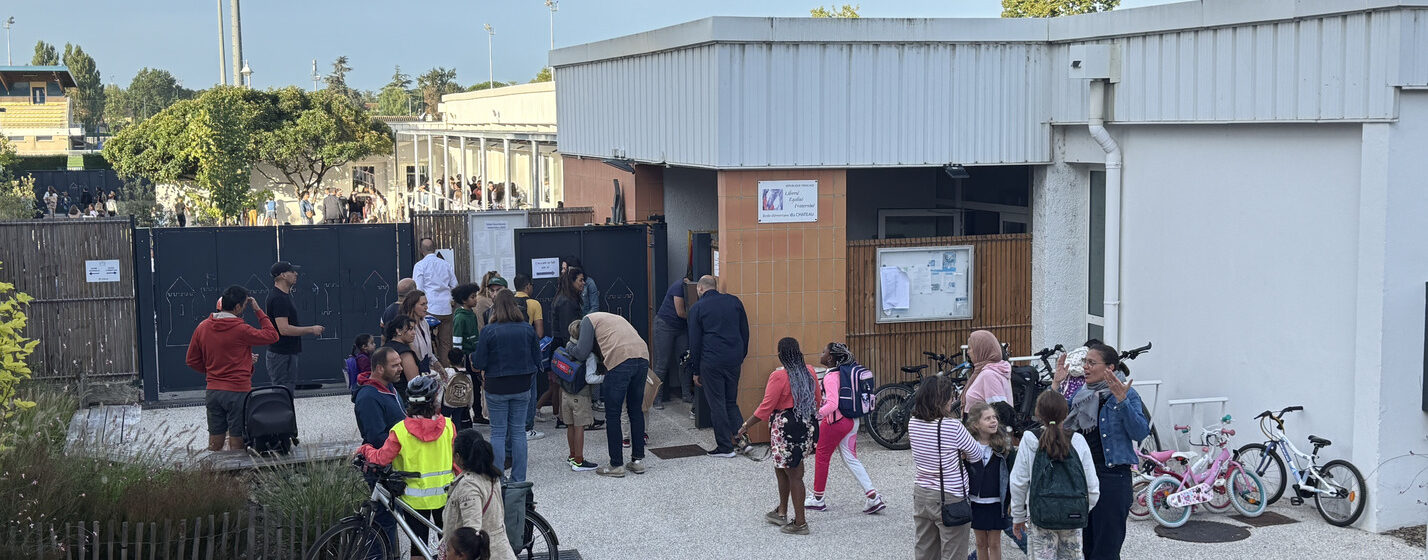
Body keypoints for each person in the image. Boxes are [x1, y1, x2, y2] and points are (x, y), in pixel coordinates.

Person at [1049, 342, 1148, 560]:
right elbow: (1051, 417)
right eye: (1085, 362)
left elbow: (1140, 432)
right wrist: (1056, 383)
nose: (1085, 367)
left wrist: (1121, 400)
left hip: (1112, 477)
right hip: (1082, 478)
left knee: (1107, 549)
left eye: (1092, 363)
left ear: (1110, 368)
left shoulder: (1127, 394)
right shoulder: (1081, 396)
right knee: (1086, 547)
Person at [358, 376, 454, 560]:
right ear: (435, 399)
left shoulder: (400, 431)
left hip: (414, 501)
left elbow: (381, 458)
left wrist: (365, 449)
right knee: (449, 545)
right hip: (444, 495)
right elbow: (456, 463)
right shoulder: (449, 427)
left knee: (418, 547)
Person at [736, 337, 821, 535]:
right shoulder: (809, 371)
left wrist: (745, 426)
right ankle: (781, 512)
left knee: (794, 473)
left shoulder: (779, 377)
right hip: (806, 423)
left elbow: (766, 408)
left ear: (781, 355)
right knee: (783, 468)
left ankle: (800, 523)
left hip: (785, 427)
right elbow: (817, 399)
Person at [185, 286, 279, 451]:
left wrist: (214, 370)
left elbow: (192, 360)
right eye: (244, 305)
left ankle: (214, 474)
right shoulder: (242, 330)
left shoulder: (203, 327)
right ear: (237, 307)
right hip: (238, 391)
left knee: (215, 441)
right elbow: (272, 335)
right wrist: (258, 310)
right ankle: (237, 473)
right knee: (237, 439)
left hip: (213, 390)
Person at [1010, 392, 1100, 560]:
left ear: (1038, 414)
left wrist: (1018, 516)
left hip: (1040, 515)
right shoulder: (1078, 440)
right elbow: (1092, 488)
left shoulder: (1030, 439)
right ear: (1066, 414)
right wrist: (1078, 509)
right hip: (1072, 515)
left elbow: (1018, 482)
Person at [909, 374, 987, 560]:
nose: (952, 401)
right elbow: (977, 454)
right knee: (954, 553)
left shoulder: (913, 423)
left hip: (921, 493)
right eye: (950, 397)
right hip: (949, 495)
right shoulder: (952, 426)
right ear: (942, 400)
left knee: (925, 552)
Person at [567, 311, 650, 478]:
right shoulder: (614, 318)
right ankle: (638, 462)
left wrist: (570, 346)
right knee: (635, 411)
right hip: (642, 356)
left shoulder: (587, 321)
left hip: (620, 360)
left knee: (613, 414)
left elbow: (582, 352)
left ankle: (616, 465)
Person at [470, 291, 542, 482]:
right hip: (522, 386)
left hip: (496, 386)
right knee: (518, 432)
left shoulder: (489, 330)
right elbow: (537, 357)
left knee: (498, 432)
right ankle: (519, 479)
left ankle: (499, 478)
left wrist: (471, 359)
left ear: (495, 307)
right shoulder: (527, 328)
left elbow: (479, 362)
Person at [807, 342, 886, 514]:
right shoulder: (846, 373)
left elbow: (833, 403)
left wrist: (817, 414)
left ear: (830, 358)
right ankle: (873, 496)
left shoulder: (830, 376)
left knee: (822, 456)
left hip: (835, 422)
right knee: (851, 458)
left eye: (823, 352)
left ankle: (818, 498)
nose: (821, 354)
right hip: (853, 420)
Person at [687, 275, 750, 457]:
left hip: (711, 360)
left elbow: (695, 342)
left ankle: (725, 447)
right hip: (734, 359)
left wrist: (695, 370)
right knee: (731, 402)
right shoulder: (734, 302)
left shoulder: (697, 308)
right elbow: (744, 332)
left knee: (717, 404)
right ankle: (744, 442)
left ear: (700, 288)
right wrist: (740, 355)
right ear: (715, 286)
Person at [351, 345, 408, 549]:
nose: (401, 368)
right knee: (384, 521)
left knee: (392, 518)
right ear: (380, 368)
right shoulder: (368, 397)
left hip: (394, 462)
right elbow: (376, 437)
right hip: (381, 466)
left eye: (400, 363)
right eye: (395, 365)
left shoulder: (389, 388)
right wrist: (406, 441)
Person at [445, 429, 515, 560]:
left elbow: (471, 531)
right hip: (501, 550)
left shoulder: (469, 485)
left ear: (458, 457)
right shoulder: (491, 475)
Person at [964, 401, 1015, 560]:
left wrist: (1011, 501)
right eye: (987, 418)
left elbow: (1012, 473)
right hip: (975, 500)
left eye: (994, 417)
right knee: (980, 543)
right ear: (975, 424)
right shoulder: (967, 445)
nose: (993, 421)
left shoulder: (1004, 446)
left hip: (996, 502)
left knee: (994, 543)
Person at [265, 261, 324, 390]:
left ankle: (286, 410)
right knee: (282, 392)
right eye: (292, 271)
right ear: (283, 275)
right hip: (281, 354)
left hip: (288, 353)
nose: (296, 274)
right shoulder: (278, 298)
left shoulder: (285, 296)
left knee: (287, 391)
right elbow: (284, 329)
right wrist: (311, 329)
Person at [560, 320, 601, 471]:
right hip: (581, 396)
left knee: (570, 426)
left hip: (566, 393)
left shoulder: (567, 346)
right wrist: (605, 378)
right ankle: (579, 460)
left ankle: (571, 456)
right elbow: (590, 378)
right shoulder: (588, 355)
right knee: (579, 428)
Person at [549, 268, 586, 429]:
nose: (583, 283)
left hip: (563, 345)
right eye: (580, 280)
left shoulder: (566, 298)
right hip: (566, 347)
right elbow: (569, 329)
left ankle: (565, 417)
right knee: (567, 383)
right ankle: (566, 418)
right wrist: (573, 351)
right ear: (572, 282)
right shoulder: (567, 302)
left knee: (563, 383)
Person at [413, 238, 459, 368]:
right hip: (446, 309)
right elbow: (455, 285)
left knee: (427, 341)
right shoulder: (445, 264)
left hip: (429, 309)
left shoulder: (420, 266)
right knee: (445, 343)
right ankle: (446, 371)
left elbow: (418, 289)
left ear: (421, 251)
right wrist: (451, 300)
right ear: (435, 249)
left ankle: (431, 370)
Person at [650, 276, 691, 407]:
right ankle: (656, 399)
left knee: (684, 361)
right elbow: (680, 312)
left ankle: (686, 395)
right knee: (662, 363)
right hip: (665, 325)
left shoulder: (688, 287)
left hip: (681, 327)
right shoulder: (679, 286)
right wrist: (696, 315)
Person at [452, 283, 487, 423]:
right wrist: (458, 359)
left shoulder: (471, 313)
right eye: (472, 297)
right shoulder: (460, 317)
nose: (475, 300)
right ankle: (465, 416)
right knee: (466, 386)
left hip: (474, 354)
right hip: (465, 357)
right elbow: (457, 339)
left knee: (477, 386)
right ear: (464, 300)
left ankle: (478, 415)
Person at [963, 330, 1014, 412]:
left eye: (970, 348)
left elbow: (998, 411)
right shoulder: (994, 369)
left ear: (980, 350)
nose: (968, 352)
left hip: (980, 424)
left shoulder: (989, 375)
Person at [381, 316, 422, 400]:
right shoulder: (405, 352)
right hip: (403, 399)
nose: (414, 333)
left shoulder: (383, 349)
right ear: (398, 331)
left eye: (414, 329)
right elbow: (414, 383)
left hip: (384, 395)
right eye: (410, 329)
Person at [401, 290, 440, 375]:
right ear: (412, 306)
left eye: (426, 304)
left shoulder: (424, 323)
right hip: (413, 370)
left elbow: (428, 351)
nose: (426, 307)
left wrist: (437, 365)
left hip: (426, 368)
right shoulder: (406, 327)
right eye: (422, 304)